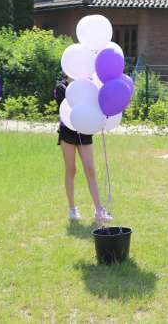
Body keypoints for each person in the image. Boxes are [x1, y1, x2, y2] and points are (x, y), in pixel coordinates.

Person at [54, 76, 113, 225]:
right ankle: (72, 209)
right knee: (71, 169)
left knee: (90, 169)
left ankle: (99, 209)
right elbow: (65, 107)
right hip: (67, 131)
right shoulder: (61, 88)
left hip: (85, 129)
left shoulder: (89, 85)